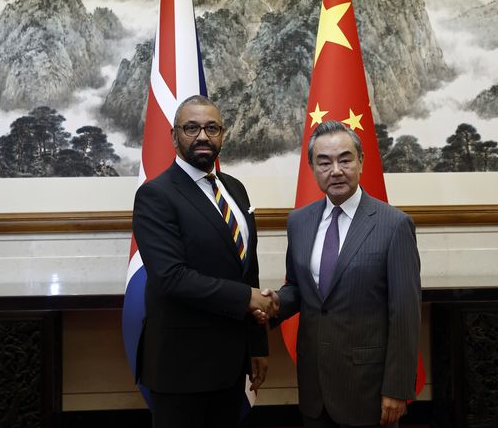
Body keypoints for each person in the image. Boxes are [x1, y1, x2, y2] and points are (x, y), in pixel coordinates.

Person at [259, 120, 421, 428]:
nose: (335, 170)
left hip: (368, 389)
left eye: (345, 159)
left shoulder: (394, 225)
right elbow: (299, 287)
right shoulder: (299, 222)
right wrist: (275, 302)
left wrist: (397, 389)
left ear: (361, 161)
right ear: (312, 167)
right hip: (314, 385)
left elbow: (405, 315)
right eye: (324, 162)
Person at [132, 95, 276, 428]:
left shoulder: (235, 189)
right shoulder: (157, 195)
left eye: (211, 128)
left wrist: (257, 345)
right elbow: (171, 277)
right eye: (191, 128)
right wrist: (246, 298)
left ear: (222, 135)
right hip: (182, 367)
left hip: (231, 364)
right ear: (173, 136)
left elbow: (247, 271)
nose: (202, 136)